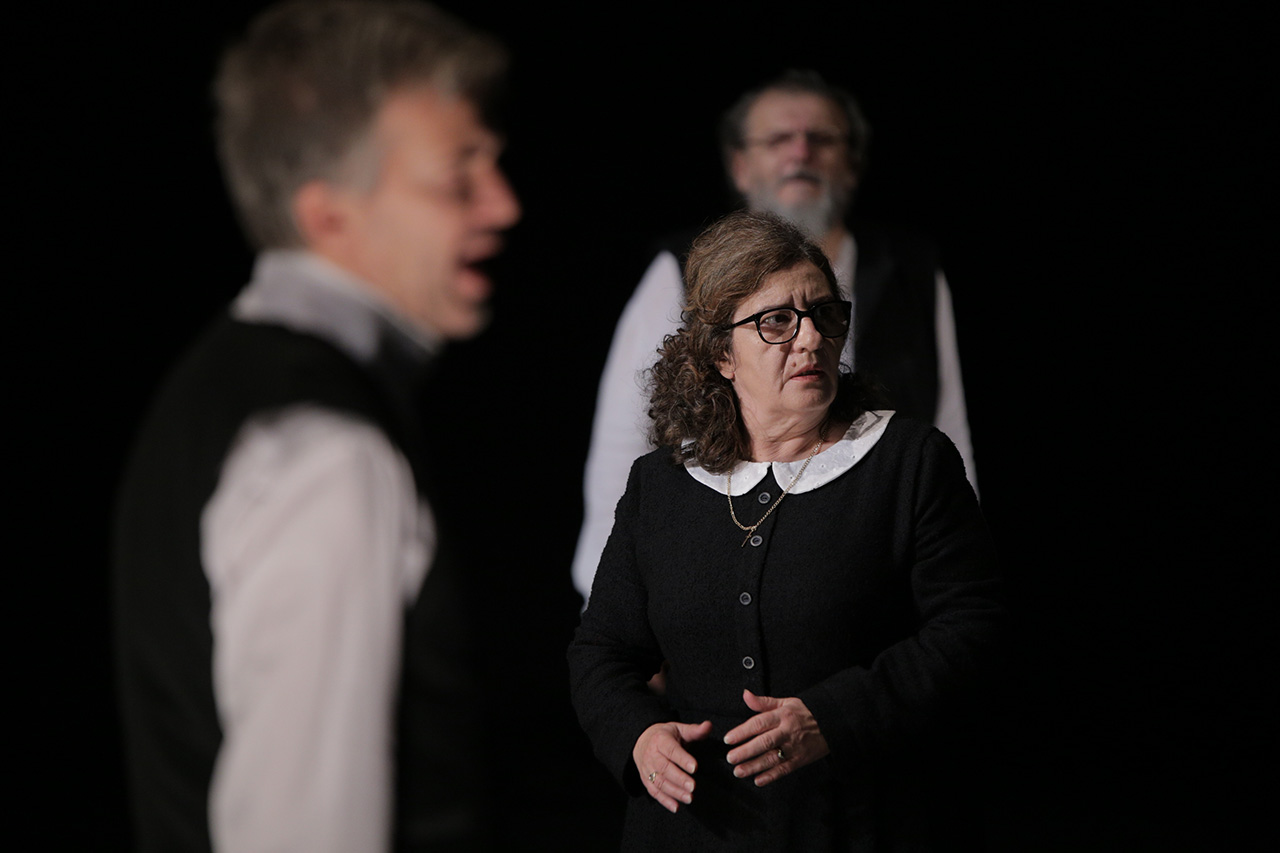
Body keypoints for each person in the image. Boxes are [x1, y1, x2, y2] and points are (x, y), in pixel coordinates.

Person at [111, 2, 519, 850]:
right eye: (458, 178)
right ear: (329, 216)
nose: (504, 205)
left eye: (494, 164)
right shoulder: (329, 453)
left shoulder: (217, 385)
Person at [567, 211, 1002, 850]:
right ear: (721, 353)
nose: (812, 339)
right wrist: (637, 736)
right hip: (692, 831)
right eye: (777, 321)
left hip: (858, 824)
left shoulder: (907, 462)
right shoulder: (661, 485)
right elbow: (602, 650)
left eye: (825, 315)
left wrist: (835, 717)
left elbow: (971, 627)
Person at [573, 70, 976, 601]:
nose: (801, 152)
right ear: (740, 166)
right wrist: (612, 601)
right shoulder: (680, 270)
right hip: (721, 579)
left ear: (852, 164)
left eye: (822, 138)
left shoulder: (912, 271)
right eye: (779, 138)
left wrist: (959, 569)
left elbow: (951, 431)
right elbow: (621, 451)